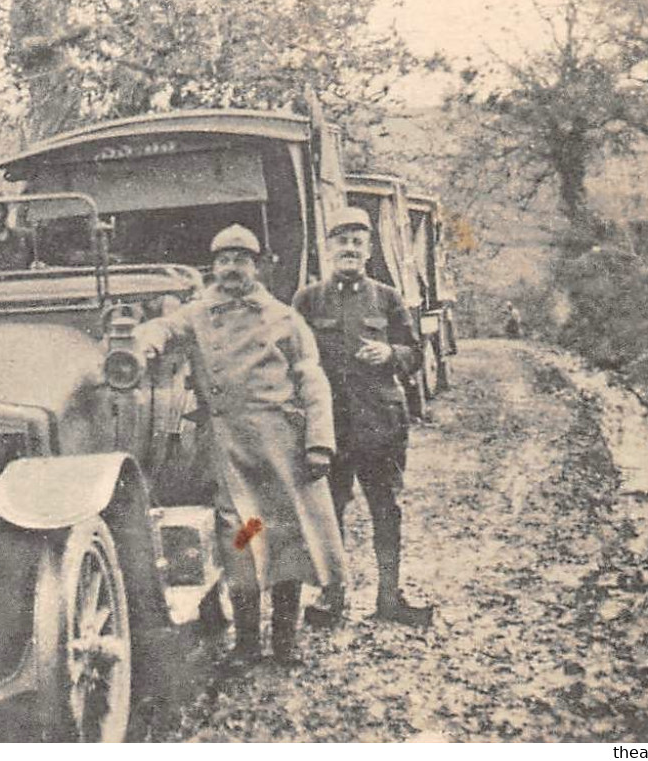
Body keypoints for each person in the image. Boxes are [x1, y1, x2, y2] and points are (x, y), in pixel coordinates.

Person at [136, 225, 346, 665]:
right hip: (229, 449)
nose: (232, 268)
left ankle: (285, 641)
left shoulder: (284, 318)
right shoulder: (197, 313)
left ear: (257, 266)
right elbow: (163, 330)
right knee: (241, 540)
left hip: (280, 447)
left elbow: (312, 381)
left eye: (241, 259)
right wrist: (141, 344)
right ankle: (248, 643)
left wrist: (319, 444)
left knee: (287, 539)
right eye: (224, 260)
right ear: (213, 268)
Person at [293, 207, 435, 628]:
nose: (350, 248)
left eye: (358, 241)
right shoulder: (308, 300)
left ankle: (389, 597)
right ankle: (332, 597)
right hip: (329, 427)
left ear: (369, 249)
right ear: (328, 248)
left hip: (380, 425)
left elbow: (415, 352)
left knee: (386, 509)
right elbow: (290, 357)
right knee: (328, 511)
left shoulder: (388, 298)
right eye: (342, 241)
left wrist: (391, 354)